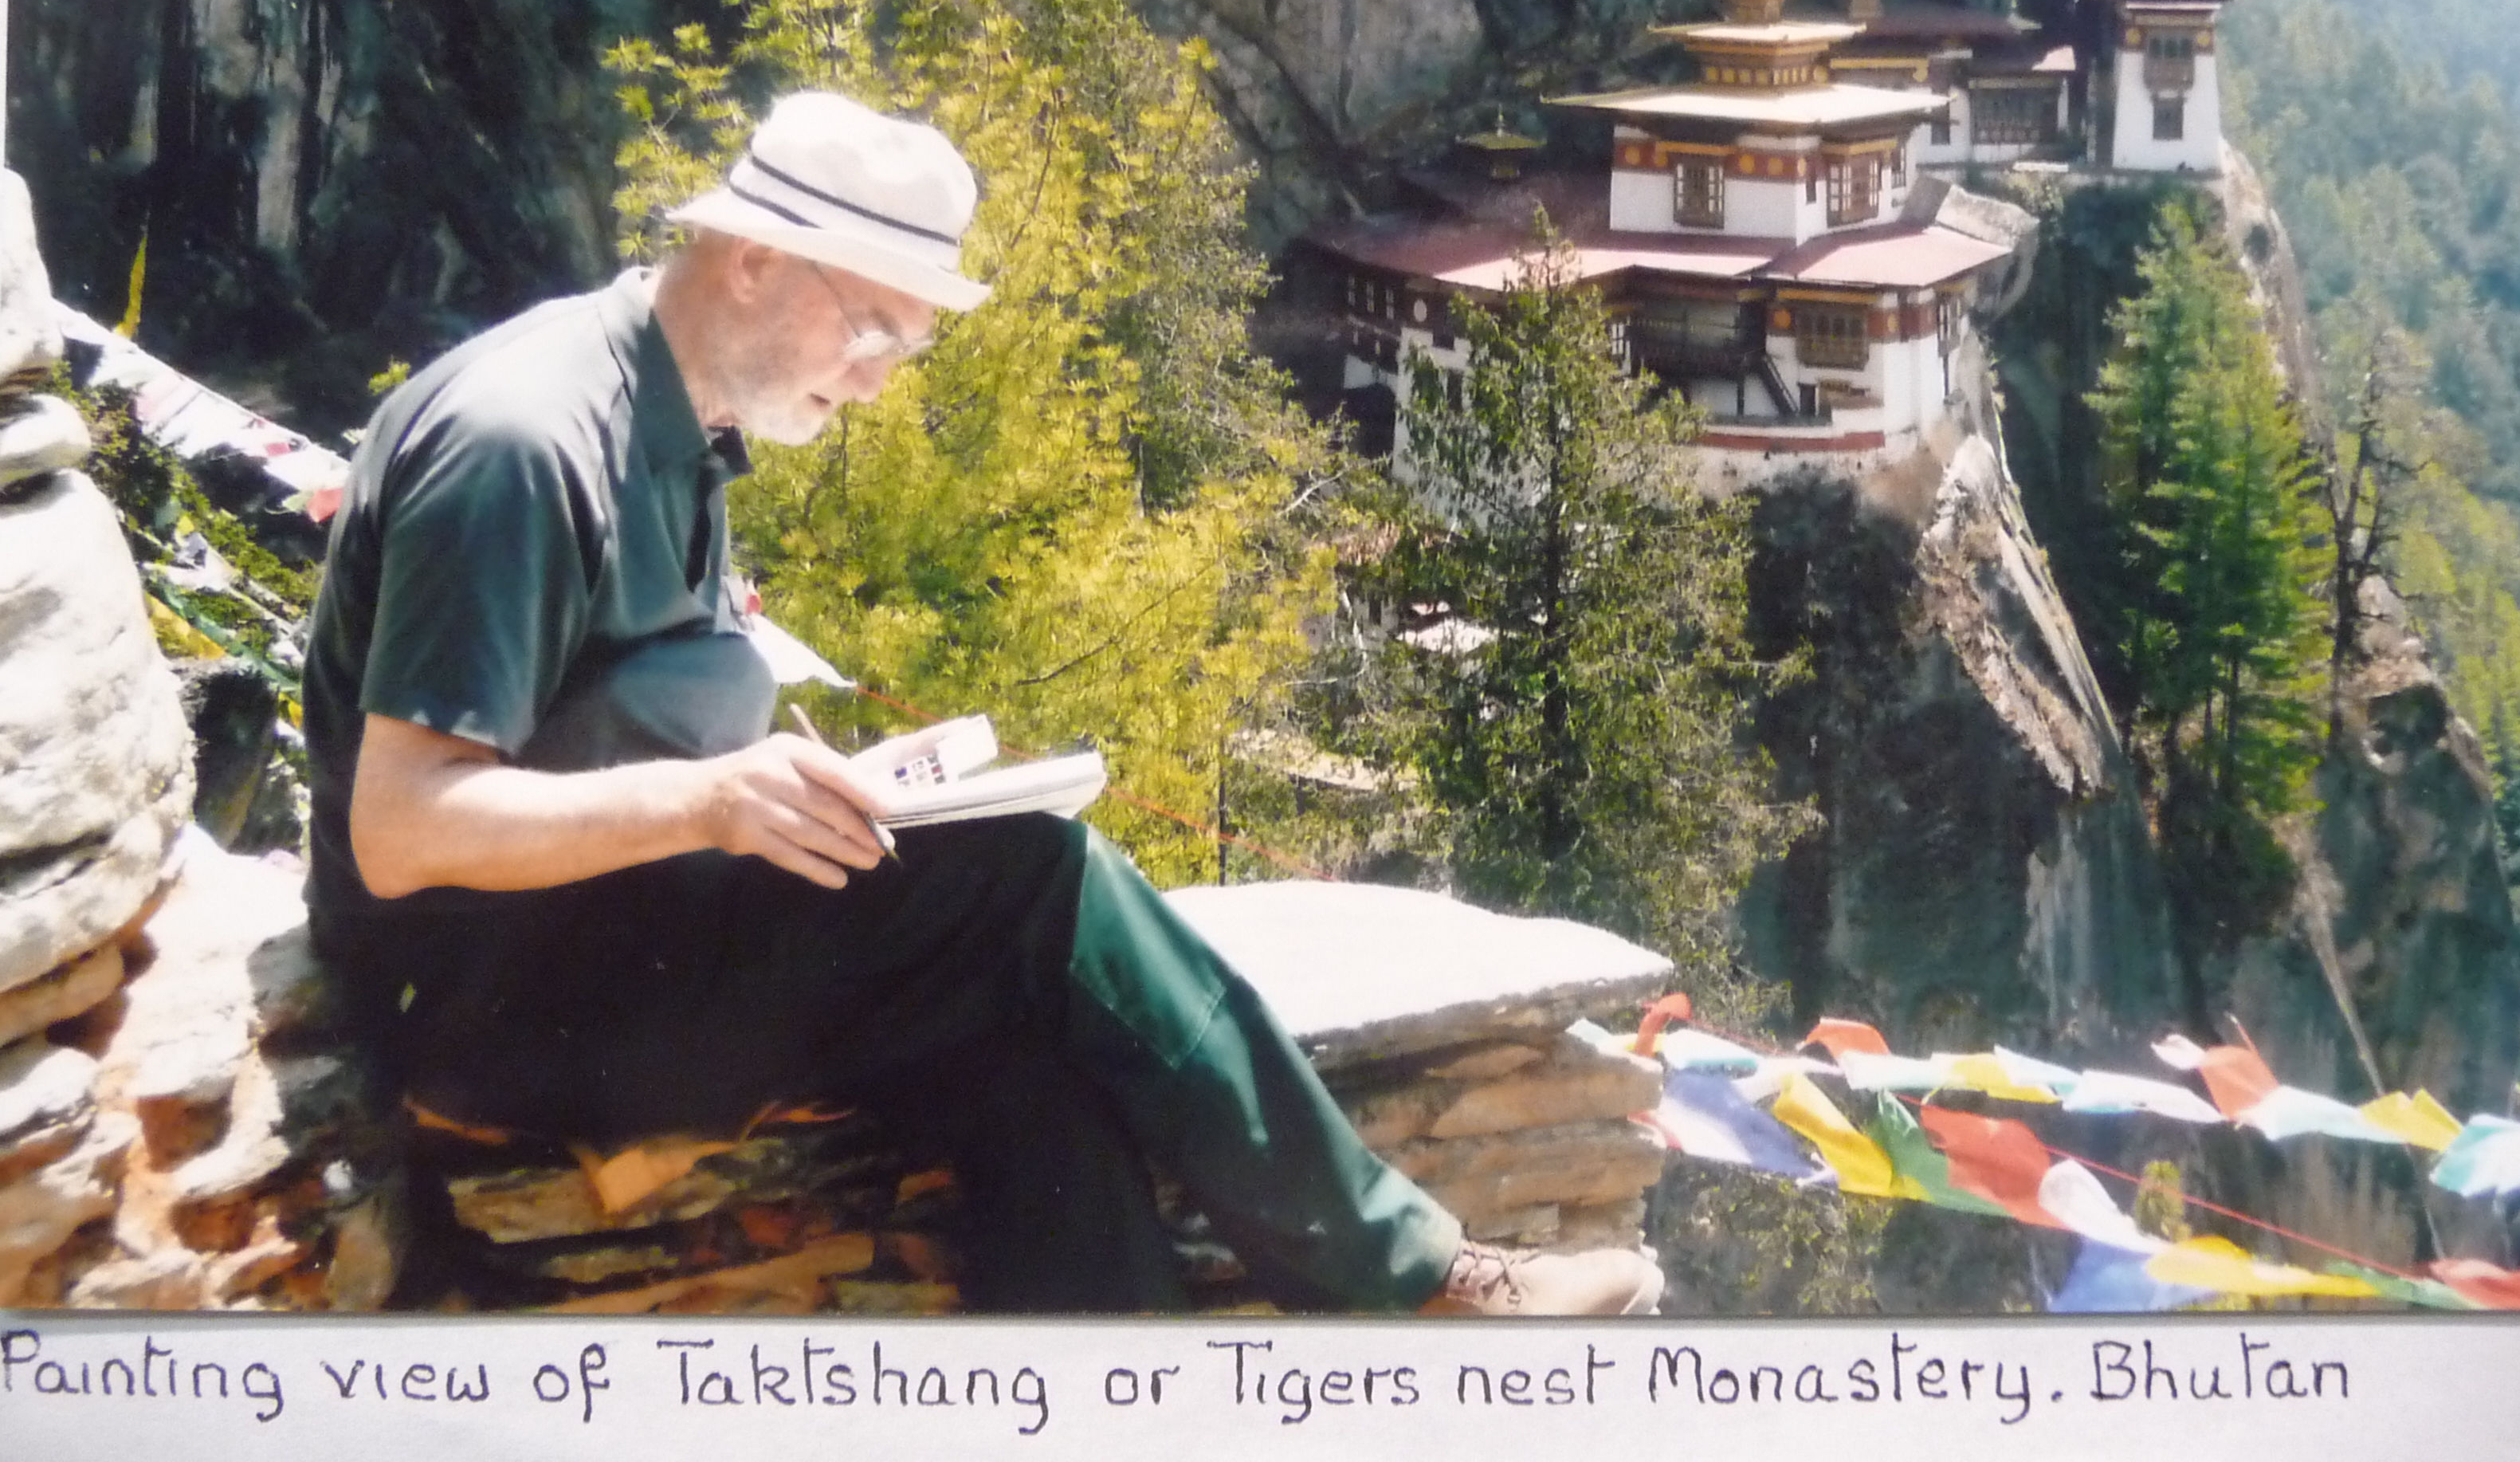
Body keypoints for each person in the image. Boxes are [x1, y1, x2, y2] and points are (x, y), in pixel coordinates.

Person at [300, 90, 1664, 1316]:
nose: (879, 379)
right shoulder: (528, 443)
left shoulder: (678, 418)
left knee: (1016, 1043)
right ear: (752, 257)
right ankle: (1412, 1279)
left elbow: (608, 723)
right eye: (872, 328)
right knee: (1034, 881)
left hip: (616, 943)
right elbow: (406, 828)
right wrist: (714, 799)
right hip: (495, 1012)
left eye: (907, 346)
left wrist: (810, 792)